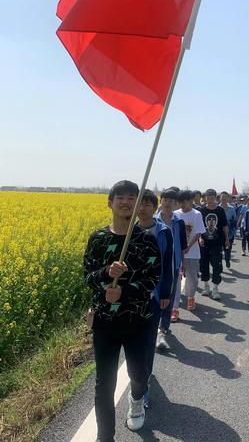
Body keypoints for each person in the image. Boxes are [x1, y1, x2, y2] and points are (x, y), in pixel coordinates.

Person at [84, 181, 169, 440]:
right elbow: (87, 276)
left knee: (139, 374)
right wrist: (106, 273)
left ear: (138, 206)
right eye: (120, 197)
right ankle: (105, 436)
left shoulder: (146, 240)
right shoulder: (98, 239)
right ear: (110, 202)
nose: (126, 202)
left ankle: (136, 398)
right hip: (105, 322)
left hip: (138, 321)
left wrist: (124, 290)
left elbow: (153, 278)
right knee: (104, 384)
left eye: (133, 198)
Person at [136, 189, 174, 409]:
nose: (143, 208)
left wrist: (166, 294)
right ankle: (139, 375)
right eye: (139, 204)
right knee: (134, 342)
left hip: (155, 294)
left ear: (155, 206)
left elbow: (167, 263)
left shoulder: (164, 231)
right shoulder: (128, 230)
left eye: (148, 204)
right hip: (130, 297)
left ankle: (143, 386)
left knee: (149, 342)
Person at [155, 189, 187, 347]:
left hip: (173, 266)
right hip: (154, 266)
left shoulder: (179, 222)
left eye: (170, 200)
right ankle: (152, 327)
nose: (167, 202)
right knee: (153, 297)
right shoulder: (153, 220)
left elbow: (182, 245)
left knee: (168, 297)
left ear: (176, 204)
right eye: (164, 199)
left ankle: (162, 331)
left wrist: (183, 263)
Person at [174, 190, 206, 311]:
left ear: (190, 201)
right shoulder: (175, 214)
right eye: (180, 202)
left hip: (192, 251)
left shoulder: (196, 214)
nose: (182, 204)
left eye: (185, 202)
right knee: (176, 278)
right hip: (177, 252)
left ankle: (191, 297)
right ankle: (175, 305)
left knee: (192, 277)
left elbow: (198, 232)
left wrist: (188, 246)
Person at [199, 189, 229, 300]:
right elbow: (199, 227)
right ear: (205, 198)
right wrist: (200, 238)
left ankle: (215, 288)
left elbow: (225, 226)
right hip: (204, 243)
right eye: (208, 198)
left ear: (215, 198)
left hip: (217, 243)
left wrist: (227, 239)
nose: (210, 200)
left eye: (212, 198)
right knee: (204, 264)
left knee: (217, 264)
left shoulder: (220, 210)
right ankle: (206, 286)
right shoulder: (201, 211)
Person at [220, 191, 237, 268]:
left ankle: (227, 260)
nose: (223, 198)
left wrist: (233, 232)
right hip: (219, 232)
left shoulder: (232, 209)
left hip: (229, 232)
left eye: (225, 197)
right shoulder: (217, 208)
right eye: (222, 197)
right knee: (218, 250)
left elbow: (234, 221)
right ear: (220, 198)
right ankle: (219, 264)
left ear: (227, 199)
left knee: (228, 249)